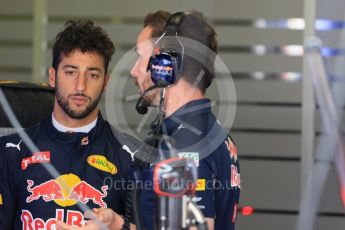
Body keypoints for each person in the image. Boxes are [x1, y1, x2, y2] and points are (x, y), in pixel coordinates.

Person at [59, 9, 241, 230]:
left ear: (166, 64)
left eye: (140, 56)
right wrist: (118, 225)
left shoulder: (184, 146)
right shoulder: (209, 132)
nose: (134, 71)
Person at [0, 20, 134, 229]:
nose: (81, 86)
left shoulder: (131, 158)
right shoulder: (10, 152)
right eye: (70, 72)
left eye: (92, 75)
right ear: (53, 77)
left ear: (106, 82)